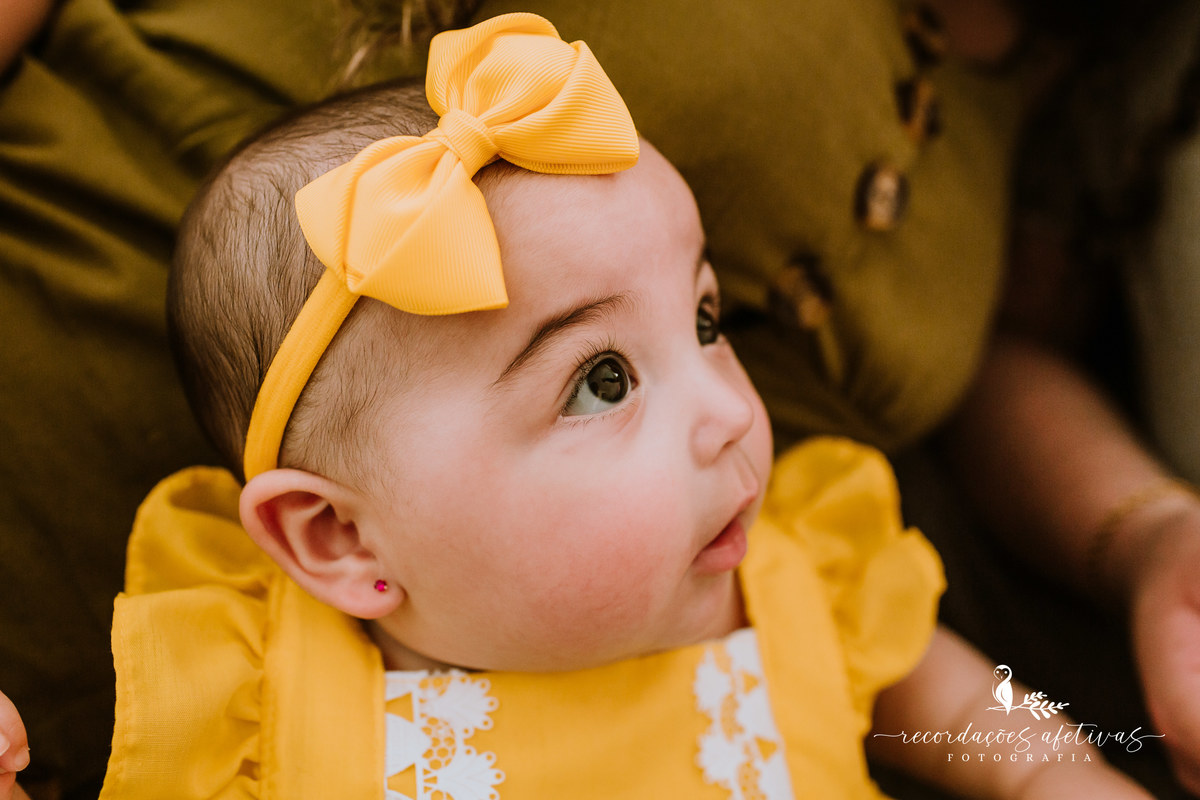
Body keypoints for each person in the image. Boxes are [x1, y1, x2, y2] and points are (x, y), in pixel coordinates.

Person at [1, 14, 1146, 799]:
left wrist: (1054, 769)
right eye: (603, 380)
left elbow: (967, 714)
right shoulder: (262, 707)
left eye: (706, 322)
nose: (729, 413)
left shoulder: (792, 582)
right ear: (340, 535)